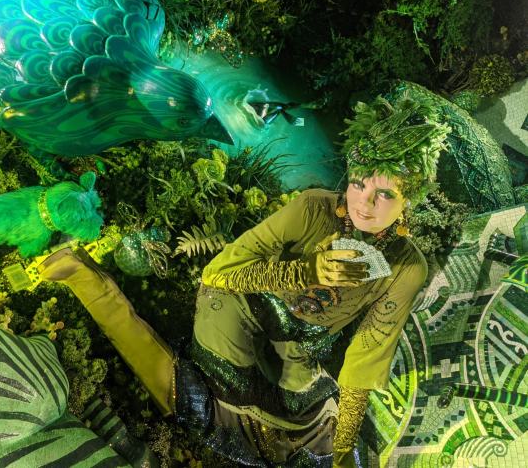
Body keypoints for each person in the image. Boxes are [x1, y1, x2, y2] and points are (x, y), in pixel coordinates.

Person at [37, 93, 450, 467]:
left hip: (298, 354)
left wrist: (343, 448)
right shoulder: (312, 208)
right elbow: (218, 273)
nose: (364, 203)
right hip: (241, 307)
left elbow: (366, 356)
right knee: (190, 398)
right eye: (358, 184)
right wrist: (306, 270)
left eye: (385, 194)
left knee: (314, 448)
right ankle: (87, 282)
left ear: (410, 198)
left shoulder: (407, 267)